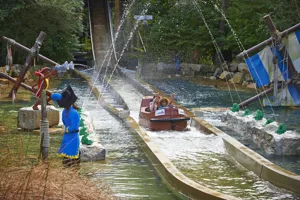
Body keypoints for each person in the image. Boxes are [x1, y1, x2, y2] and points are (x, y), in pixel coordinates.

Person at [51, 85, 80, 167]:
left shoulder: (74, 113)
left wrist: (66, 129)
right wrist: (63, 95)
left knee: (71, 159)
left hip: (73, 137)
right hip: (66, 137)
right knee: (64, 158)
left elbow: (75, 127)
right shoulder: (64, 111)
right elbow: (53, 96)